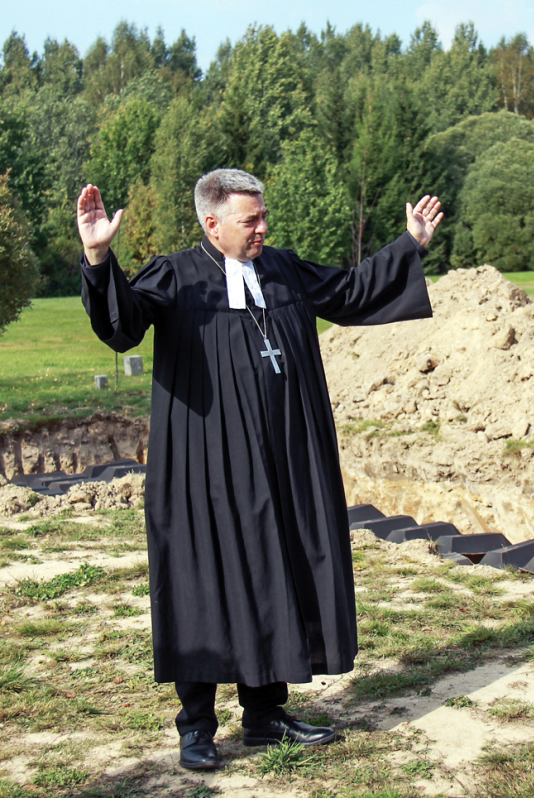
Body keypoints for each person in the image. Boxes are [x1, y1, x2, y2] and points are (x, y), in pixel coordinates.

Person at [77, 169, 442, 770]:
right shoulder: (177, 275)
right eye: (251, 221)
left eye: (263, 216)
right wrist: (98, 256)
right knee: (204, 583)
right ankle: (196, 726)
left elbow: (350, 292)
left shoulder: (281, 269)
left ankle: (266, 715)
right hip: (206, 469)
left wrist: (410, 244)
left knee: (279, 570)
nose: (263, 229)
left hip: (282, 459)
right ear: (212, 224)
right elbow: (122, 325)